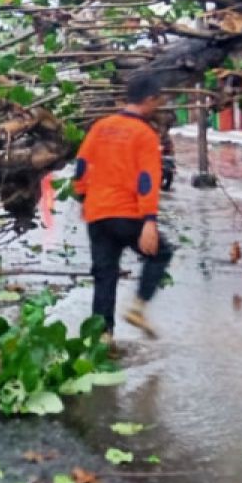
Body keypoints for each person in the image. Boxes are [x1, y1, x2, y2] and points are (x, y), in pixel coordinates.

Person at [74, 74, 174, 344]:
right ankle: (138, 308)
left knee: (104, 274)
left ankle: (103, 338)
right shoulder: (145, 134)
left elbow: (81, 165)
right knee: (160, 253)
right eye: (158, 100)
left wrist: (83, 198)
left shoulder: (101, 126)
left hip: (97, 214)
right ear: (150, 99)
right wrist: (150, 221)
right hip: (128, 214)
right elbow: (147, 181)